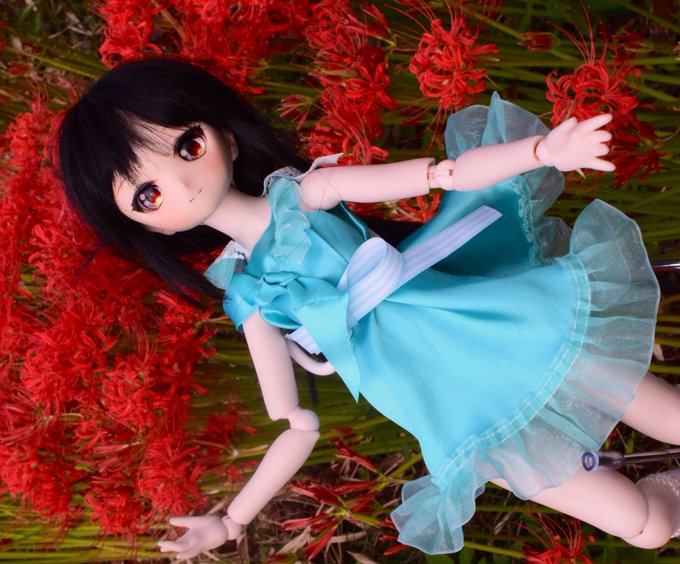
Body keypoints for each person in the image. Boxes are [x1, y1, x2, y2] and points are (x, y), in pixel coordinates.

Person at [57, 59, 680, 559]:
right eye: (147, 195)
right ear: (145, 227)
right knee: (645, 526)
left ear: (223, 135)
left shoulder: (305, 194)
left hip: (507, 330)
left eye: (187, 145)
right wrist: (232, 520)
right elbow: (296, 424)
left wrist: (542, 151)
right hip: (456, 412)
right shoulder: (250, 294)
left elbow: (444, 174)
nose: (180, 182)